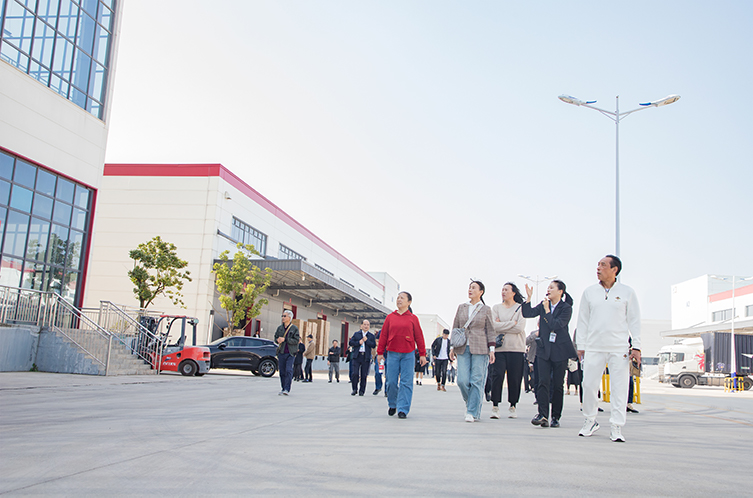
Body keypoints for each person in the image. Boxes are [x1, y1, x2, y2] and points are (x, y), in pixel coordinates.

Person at [577, 255, 641, 443]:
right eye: (598, 265)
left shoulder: (627, 292)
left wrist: (636, 346)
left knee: (619, 388)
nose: (598, 268)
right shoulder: (589, 292)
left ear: (615, 270)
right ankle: (590, 420)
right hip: (594, 346)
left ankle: (616, 426)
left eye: (603, 265)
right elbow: (582, 320)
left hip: (619, 348)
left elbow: (634, 320)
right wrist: (581, 346)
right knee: (589, 385)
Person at [522, 280, 577, 428]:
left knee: (557, 385)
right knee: (542, 382)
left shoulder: (566, 308)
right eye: (548, 287)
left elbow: (556, 325)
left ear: (560, 291)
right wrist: (528, 298)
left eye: (552, 287)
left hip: (560, 351)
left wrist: (547, 311)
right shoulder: (543, 305)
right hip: (544, 350)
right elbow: (527, 313)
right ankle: (543, 415)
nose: (548, 290)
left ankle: (555, 417)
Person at [451, 280, 496, 423]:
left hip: (481, 348)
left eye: (474, 288)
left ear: (481, 292)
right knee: (462, 380)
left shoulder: (486, 309)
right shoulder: (462, 307)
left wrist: (492, 349)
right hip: (462, 347)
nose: (470, 290)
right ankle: (470, 402)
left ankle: (471, 411)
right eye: (469, 287)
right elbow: (456, 327)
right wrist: (452, 347)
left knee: (477, 380)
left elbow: (491, 330)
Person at [377, 291, 427, 419]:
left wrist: (422, 354)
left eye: (402, 298)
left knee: (406, 382)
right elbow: (383, 336)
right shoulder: (390, 317)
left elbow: (419, 337)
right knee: (391, 381)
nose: (399, 300)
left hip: (408, 355)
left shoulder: (413, 318)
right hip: (392, 353)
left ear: (409, 302)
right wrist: (380, 352)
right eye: (398, 298)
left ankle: (403, 409)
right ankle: (392, 404)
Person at [489, 282, 527, 419]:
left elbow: (520, 328)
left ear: (513, 293)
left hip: (517, 349)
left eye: (506, 290)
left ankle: (513, 406)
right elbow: (493, 326)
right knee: (497, 376)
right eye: (502, 289)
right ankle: (495, 406)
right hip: (500, 349)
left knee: (515, 378)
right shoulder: (496, 308)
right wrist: (511, 324)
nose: (503, 292)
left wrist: (501, 324)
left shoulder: (521, 308)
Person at [274, 310, 300, 395]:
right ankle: (283, 388)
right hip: (281, 352)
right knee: (282, 371)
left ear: (289, 318)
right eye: (282, 316)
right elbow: (275, 337)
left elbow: (296, 340)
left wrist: (285, 339)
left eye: (285, 316)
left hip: (290, 353)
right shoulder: (280, 328)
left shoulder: (294, 328)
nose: (283, 318)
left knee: (288, 370)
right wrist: (277, 340)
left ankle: (287, 389)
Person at [349, 319, 377, 396]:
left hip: (366, 356)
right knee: (355, 373)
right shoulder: (357, 334)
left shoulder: (371, 336)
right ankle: (354, 389)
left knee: (364, 375)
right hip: (357, 356)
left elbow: (373, 345)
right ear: (361, 326)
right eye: (364, 324)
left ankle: (362, 390)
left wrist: (367, 341)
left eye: (368, 325)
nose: (366, 326)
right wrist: (358, 342)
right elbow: (351, 342)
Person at [373, 331, 383, 395]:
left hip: (389, 355)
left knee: (388, 374)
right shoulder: (381, 332)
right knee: (377, 372)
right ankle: (378, 387)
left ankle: (387, 390)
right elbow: (376, 341)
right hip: (380, 355)